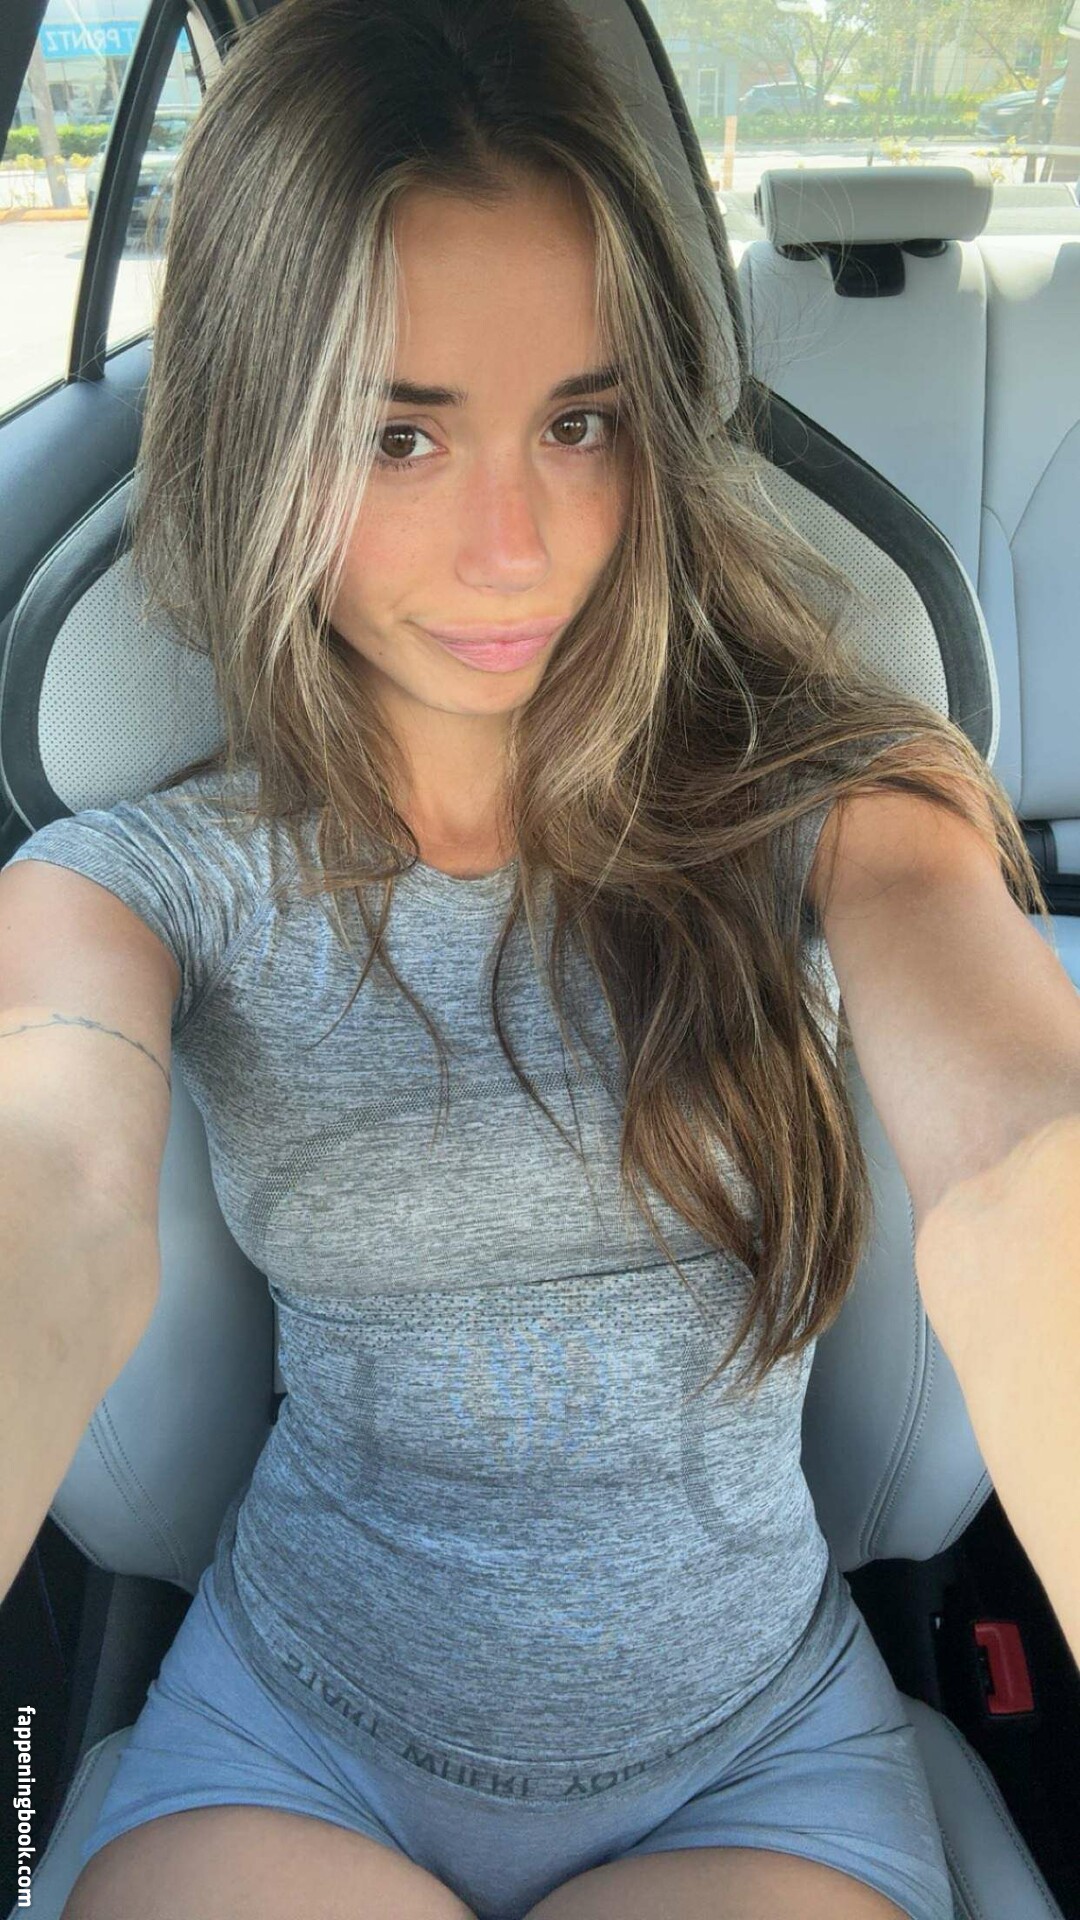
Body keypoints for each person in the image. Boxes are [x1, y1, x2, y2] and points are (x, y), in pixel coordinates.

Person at [6, 0, 1043, 1914]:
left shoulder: (844, 799)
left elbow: (1026, 1158)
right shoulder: (141, 878)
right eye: (397, 435)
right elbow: (45, 1186)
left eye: (581, 423)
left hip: (756, 1762)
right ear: (253, 438)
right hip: (295, 1740)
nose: (516, 547)